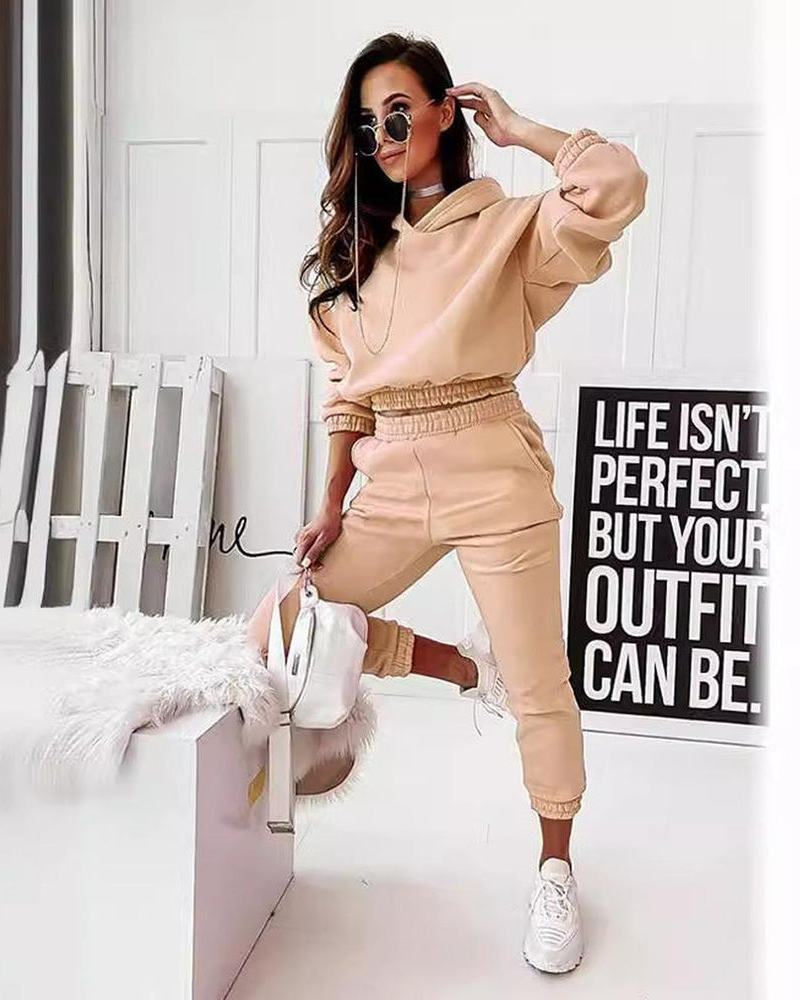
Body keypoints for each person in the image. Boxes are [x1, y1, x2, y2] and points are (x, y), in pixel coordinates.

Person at [246, 31, 647, 975]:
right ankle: (469, 670)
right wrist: (332, 500)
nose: (382, 138)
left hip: (492, 460)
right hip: (392, 473)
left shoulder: (511, 227)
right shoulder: (359, 255)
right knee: (288, 625)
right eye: (365, 125)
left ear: (442, 112)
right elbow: (348, 394)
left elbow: (616, 185)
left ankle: (555, 868)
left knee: (542, 683)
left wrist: (519, 128)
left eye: (398, 115)